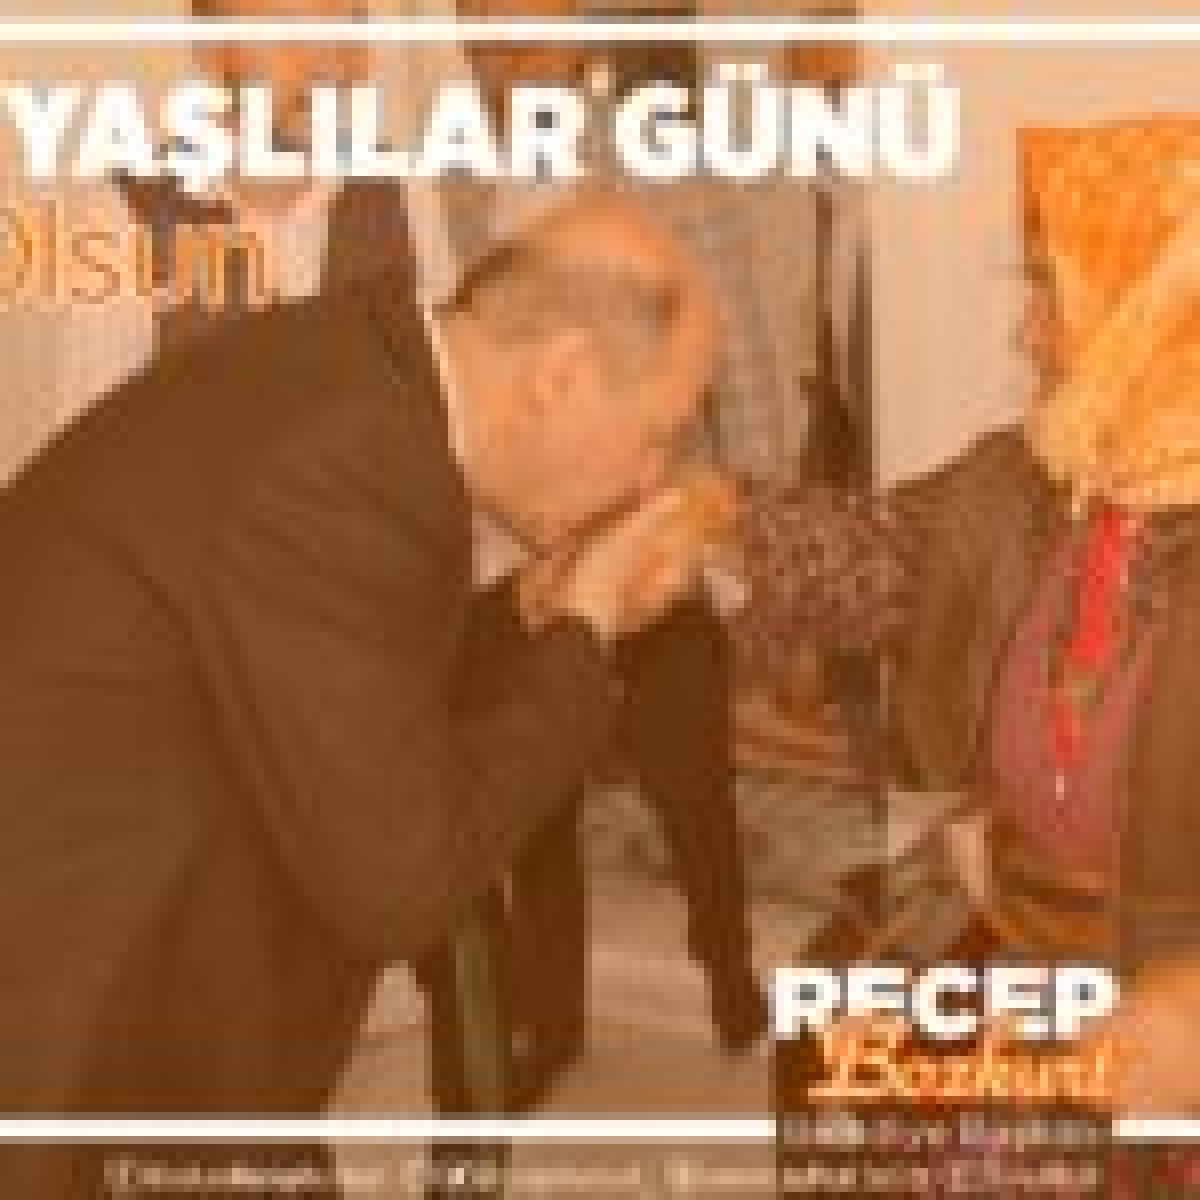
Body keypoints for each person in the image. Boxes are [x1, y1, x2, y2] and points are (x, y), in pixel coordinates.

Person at [0, 191, 718, 1199]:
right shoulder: (344, 466)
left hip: (162, 982)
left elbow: (347, 690)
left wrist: (530, 615)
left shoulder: (360, 389)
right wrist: (586, 632)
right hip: (81, 1026)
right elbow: (403, 883)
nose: (652, 481)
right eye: (657, 435)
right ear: (559, 375)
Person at [738, 116, 1200, 1193]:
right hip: (1022, 940)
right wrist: (713, 523)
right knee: (840, 1050)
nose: (1028, 335)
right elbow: (879, 553)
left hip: (1161, 1015)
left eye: (1055, 293)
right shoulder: (1034, 480)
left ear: (1157, 316)